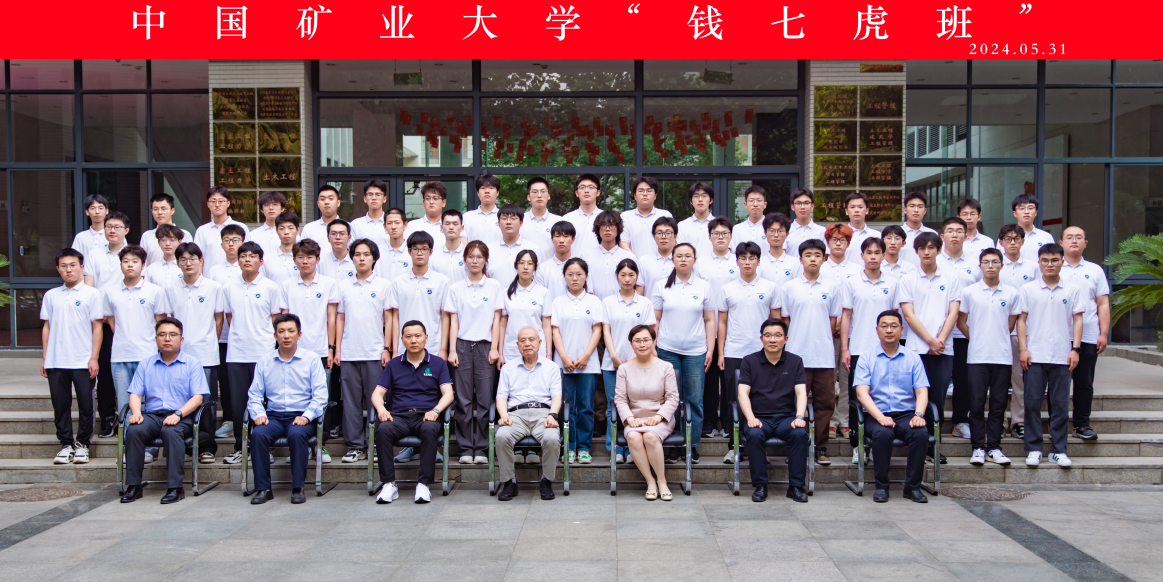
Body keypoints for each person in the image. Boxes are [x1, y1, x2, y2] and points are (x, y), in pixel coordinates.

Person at [119, 318, 209, 505]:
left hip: (181, 415)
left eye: (172, 335)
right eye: (162, 335)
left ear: (181, 340)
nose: (167, 339)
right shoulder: (146, 364)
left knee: (171, 431)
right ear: (156, 339)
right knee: (134, 430)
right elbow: (135, 394)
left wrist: (178, 414)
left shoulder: (192, 364)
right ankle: (134, 486)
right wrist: (136, 413)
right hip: (152, 415)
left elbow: (198, 398)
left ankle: (175, 488)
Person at [246, 314, 329, 505]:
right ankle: (263, 488)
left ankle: (298, 487)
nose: (286, 335)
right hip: (273, 416)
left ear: (299, 335)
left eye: (291, 331)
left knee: (297, 434)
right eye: (281, 331)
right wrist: (258, 414)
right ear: (275, 336)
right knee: (258, 434)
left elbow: (320, 395)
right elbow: (254, 394)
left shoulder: (312, 360)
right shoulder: (265, 361)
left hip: (301, 416)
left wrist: (307, 416)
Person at [371, 320, 454, 504]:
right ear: (402, 340)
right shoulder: (393, 364)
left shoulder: (438, 363)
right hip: (399, 416)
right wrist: (381, 409)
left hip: (426, 415)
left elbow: (448, 394)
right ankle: (389, 484)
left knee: (430, 429)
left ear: (426, 338)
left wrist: (436, 410)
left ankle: (424, 484)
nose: (413, 340)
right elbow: (377, 394)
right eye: (408, 337)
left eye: (418, 336)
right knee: (383, 429)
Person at [853, 310, 931, 504]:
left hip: (905, 414)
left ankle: (912, 488)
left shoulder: (913, 357)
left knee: (920, 433)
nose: (889, 330)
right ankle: (881, 487)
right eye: (884, 326)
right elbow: (862, 394)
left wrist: (919, 414)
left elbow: (921, 392)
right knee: (883, 433)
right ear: (877, 330)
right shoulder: (866, 358)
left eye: (893, 326)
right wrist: (880, 417)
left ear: (902, 330)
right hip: (876, 414)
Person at [1018, 244, 1084, 468]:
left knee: (1060, 405)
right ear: (1039, 263)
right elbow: (1021, 320)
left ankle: (1058, 450)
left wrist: (1075, 349)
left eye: (1054, 260)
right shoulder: (1028, 289)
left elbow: (1078, 319)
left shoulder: (1072, 289)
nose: (1049, 264)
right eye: (1045, 260)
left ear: (1062, 262)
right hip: (1034, 356)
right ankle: (1034, 448)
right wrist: (1023, 349)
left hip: (1062, 356)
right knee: (1031, 404)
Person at [898, 232, 961, 464]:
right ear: (916, 251)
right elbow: (908, 315)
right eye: (922, 248)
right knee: (914, 397)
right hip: (916, 349)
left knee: (937, 399)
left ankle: (933, 447)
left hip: (943, 349)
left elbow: (953, 312)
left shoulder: (951, 278)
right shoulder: (908, 279)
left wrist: (939, 340)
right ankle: (915, 443)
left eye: (931, 247)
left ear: (938, 250)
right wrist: (929, 341)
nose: (927, 252)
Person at [222, 242, 287, 464]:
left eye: (252, 256)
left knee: (264, 402)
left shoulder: (271, 287)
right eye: (243, 256)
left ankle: (264, 447)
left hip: (263, 352)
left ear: (261, 261)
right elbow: (229, 317)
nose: (247, 259)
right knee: (238, 404)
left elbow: (275, 320)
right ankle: (241, 447)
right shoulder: (229, 286)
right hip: (237, 353)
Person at [716, 242, 781, 463]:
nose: (747, 262)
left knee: (762, 400)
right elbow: (722, 322)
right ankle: (734, 446)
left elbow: (776, 321)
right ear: (736, 261)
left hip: (763, 352)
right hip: (734, 351)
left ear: (758, 261)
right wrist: (721, 352)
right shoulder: (727, 289)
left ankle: (759, 446)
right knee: (733, 400)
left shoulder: (770, 287)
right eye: (743, 258)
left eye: (752, 258)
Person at [650, 243, 714, 463]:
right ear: (673, 259)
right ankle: (673, 445)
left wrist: (710, 349)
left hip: (696, 351)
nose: (684, 259)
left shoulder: (704, 286)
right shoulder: (661, 285)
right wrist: (653, 346)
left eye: (688, 256)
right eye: (679, 256)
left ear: (695, 260)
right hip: (667, 350)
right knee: (671, 400)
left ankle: (692, 445)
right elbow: (655, 319)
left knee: (695, 399)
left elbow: (710, 320)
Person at [781, 239, 841, 466]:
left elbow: (833, 321)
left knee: (826, 403)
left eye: (817, 255)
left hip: (824, 355)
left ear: (824, 259)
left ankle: (820, 447)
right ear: (800, 259)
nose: (812, 259)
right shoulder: (789, 287)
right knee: (794, 403)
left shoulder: (832, 287)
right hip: (796, 355)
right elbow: (785, 321)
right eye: (808, 255)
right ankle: (795, 445)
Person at [443, 241, 504, 465]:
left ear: (486, 260)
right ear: (464, 260)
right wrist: (452, 350)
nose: (475, 261)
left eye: (479, 257)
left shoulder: (494, 286)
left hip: (485, 346)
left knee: (485, 399)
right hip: (462, 346)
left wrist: (495, 347)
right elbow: (454, 321)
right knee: (463, 400)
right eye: (470, 257)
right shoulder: (456, 288)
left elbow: (497, 319)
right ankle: (466, 448)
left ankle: (482, 448)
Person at [280, 239, 340, 463]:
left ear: (318, 259)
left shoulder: (328, 283)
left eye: (309, 257)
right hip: (293, 350)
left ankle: (321, 445)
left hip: (320, 349)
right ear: (294, 259)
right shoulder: (287, 285)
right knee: (296, 397)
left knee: (322, 398)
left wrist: (331, 348)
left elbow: (331, 318)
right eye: (300, 257)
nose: (305, 261)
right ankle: (299, 446)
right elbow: (283, 318)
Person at [164, 242, 225, 463]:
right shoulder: (170, 287)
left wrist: (208, 341)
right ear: (177, 263)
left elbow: (219, 319)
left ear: (201, 261)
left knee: (206, 403)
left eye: (192, 259)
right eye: (183, 259)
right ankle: (181, 444)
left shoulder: (213, 287)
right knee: (179, 400)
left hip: (206, 354)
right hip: (178, 356)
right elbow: (168, 319)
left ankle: (206, 447)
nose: (188, 263)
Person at [41, 248, 103, 465]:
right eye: (64, 266)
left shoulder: (92, 294)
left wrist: (94, 357)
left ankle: (83, 444)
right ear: (58, 269)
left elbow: (97, 327)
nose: (69, 270)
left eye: (73, 265)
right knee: (60, 405)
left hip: (82, 359)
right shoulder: (51, 295)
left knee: (86, 405)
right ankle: (66, 444)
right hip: (56, 360)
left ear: (81, 267)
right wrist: (45, 357)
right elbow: (47, 327)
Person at [956, 248, 1017, 467]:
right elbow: (961, 321)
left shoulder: (1011, 293)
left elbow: (1011, 324)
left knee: (998, 404)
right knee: (976, 403)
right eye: (986, 262)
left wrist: (996, 335)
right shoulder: (970, 292)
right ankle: (977, 448)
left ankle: (994, 447)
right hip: (977, 356)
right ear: (980, 266)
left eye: (995, 262)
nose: (990, 266)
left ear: (1002, 265)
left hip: (1002, 356)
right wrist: (977, 337)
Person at [738, 318, 809, 503]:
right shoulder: (749, 361)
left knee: (800, 434)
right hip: (759, 418)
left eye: (778, 336)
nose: (772, 340)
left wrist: (799, 416)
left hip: (786, 418)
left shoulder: (795, 361)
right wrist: (751, 418)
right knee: (754, 435)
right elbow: (742, 393)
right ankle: (760, 486)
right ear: (761, 338)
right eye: (768, 335)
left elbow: (801, 392)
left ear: (785, 339)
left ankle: (796, 486)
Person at [840, 238, 898, 461]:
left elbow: (895, 317)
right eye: (868, 252)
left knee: (882, 396)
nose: (873, 257)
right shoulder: (852, 282)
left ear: (884, 255)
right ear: (862, 255)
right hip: (859, 349)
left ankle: (878, 442)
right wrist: (845, 348)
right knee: (857, 398)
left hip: (886, 350)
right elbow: (846, 316)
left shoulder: (893, 283)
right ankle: (858, 445)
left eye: (877, 252)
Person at [334, 238, 392, 464]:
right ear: (352, 258)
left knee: (377, 401)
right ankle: (355, 446)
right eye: (357, 254)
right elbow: (340, 318)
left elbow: (389, 319)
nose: (361, 258)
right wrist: (337, 349)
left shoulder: (384, 285)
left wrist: (387, 348)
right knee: (350, 402)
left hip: (374, 352)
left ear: (374, 258)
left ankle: (376, 443)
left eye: (366, 254)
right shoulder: (343, 285)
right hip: (349, 352)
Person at [495, 325, 563, 501]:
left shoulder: (551, 367)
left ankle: (546, 480)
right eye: (523, 340)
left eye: (531, 339)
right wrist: (503, 415)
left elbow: (557, 396)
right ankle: (509, 482)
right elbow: (501, 396)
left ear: (540, 343)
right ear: (517, 345)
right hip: (516, 415)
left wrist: (552, 415)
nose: (527, 343)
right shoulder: (508, 368)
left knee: (552, 439)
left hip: (543, 414)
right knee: (501, 436)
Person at [601, 259, 657, 463]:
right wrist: (614, 356)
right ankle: (615, 448)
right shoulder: (608, 302)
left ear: (637, 277)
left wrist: (635, 356)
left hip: (639, 363)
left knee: (634, 406)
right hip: (612, 364)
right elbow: (605, 331)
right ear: (617, 276)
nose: (627, 279)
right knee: (614, 406)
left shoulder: (645, 303)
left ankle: (632, 449)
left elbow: (650, 333)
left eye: (631, 275)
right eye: (623, 275)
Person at [616, 325, 680, 501]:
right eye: (637, 341)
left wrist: (659, 416)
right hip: (635, 418)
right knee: (634, 437)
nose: (642, 344)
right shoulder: (624, 369)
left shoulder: (666, 367)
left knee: (650, 436)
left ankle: (662, 481)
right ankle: (650, 481)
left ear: (653, 342)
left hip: (661, 418)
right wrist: (629, 418)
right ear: (631, 344)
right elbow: (620, 399)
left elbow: (673, 397)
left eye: (646, 340)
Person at [551, 258, 605, 464]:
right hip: (563, 363)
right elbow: (555, 331)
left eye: (579, 274)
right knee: (567, 407)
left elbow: (597, 330)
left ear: (586, 277)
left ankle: (583, 447)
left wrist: (586, 356)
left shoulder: (594, 301)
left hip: (588, 364)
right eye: (570, 274)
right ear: (564, 277)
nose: (575, 278)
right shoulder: (558, 302)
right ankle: (568, 446)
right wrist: (564, 357)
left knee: (586, 407)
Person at [1059, 226, 1110, 441]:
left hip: (1088, 335)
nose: (1074, 241)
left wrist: (1103, 333)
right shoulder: (1054, 267)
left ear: (1085, 243)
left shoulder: (1095, 270)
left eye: (1079, 237)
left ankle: (1081, 424)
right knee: (1058, 384)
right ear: (1061, 243)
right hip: (1059, 336)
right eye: (1069, 237)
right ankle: (1057, 426)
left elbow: (1103, 303)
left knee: (1084, 383)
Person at [105, 245, 167, 417]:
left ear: (143, 265)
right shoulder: (110, 292)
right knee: (124, 405)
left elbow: (161, 322)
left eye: (135, 261)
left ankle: (148, 436)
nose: (130, 265)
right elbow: (111, 319)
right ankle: (126, 435)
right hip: (120, 356)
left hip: (147, 355)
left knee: (148, 403)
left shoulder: (155, 291)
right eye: (125, 261)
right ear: (120, 265)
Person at [83, 210, 131, 437]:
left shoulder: (133, 254)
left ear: (126, 230)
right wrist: (97, 313)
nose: (112, 230)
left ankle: (131, 415)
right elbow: (89, 287)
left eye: (117, 227)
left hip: (127, 322)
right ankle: (107, 417)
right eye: (109, 227)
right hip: (101, 322)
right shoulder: (94, 254)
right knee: (103, 370)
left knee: (127, 370)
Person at [938, 217, 983, 442]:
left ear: (966, 236)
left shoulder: (975, 265)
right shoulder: (934, 261)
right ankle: (933, 422)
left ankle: (960, 421)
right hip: (939, 332)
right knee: (937, 381)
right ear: (942, 236)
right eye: (949, 231)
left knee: (964, 380)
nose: (954, 235)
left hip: (965, 331)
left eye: (958, 231)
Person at [998, 223, 1038, 438]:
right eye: (1008, 239)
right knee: (997, 380)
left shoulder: (1033, 267)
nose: (1012, 243)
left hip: (1024, 332)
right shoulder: (995, 264)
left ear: (1023, 241)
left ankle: (1018, 421)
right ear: (1001, 242)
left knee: (1019, 379)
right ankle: (997, 421)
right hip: (998, 331)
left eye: (1016, 239)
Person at [208, 223, 247, 440]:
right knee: (225, 380)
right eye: (227, 240)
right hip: (221, 335)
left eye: (235, 240)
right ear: (221, 244)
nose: (231, 244)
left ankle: (247, 419)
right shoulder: (214, 270)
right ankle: (229, 419)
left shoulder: (249, 266)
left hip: (244, 335)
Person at [389, 232, 451, 360]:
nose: (419, 253)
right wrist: (395, 350)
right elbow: (395, 317)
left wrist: (443, 349)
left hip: (433, 348)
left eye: (424, 249)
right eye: (415, 249)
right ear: (409, 251)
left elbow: (445, 317)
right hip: (404, 349)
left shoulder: (442, 281)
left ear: (431, 252)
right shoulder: (398, 282)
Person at [500, 249, 553, 367]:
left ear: (535, 267)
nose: (525, 267)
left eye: (530, 263)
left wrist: (549, 354)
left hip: (537, 350)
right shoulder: (505, 292)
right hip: (511, 349)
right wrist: (500, 353)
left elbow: (546, 326)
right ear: (516, 266)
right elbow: (502, 325)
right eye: (521, 263)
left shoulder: (543, 293)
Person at [583, 210, 638, 300]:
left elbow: (635, 287)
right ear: (598, 229)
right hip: (593, 305)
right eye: (603, 225)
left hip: (621, 305)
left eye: (611, 225)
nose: (607, 229)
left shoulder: (629, 257)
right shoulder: (586, 256)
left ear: (618, 228)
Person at [194, 186, 249, 273]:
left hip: (237, 277)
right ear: (208, 204)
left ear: (228, 203)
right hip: (209, 278)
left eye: (221, 201)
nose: (217, 204)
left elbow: (247, 254)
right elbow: (198, 259)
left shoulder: (241, 227)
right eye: (213, 201)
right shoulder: (202, 230)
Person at [488, 204, 541, 286]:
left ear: (521, 223)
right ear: (498, 223)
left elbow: (538, 279)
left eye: (513, 218)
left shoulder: (533, 248)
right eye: (504, 218)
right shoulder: (489, 249)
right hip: (496, 294)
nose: (508, 222)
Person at [621, 176, 673, 256]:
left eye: (649, 191)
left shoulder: (665, 215)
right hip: (634, 263)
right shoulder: (625, 217)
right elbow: (623, 244)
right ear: (635, 196)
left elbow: (671, 242)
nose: (645, 194)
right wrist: (636, 261)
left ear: (655, 195)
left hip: (661, 262)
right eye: (641, 191)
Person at [140, 193, 193, 266]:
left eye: (163, 209)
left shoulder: (184, 234)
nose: (159, 212)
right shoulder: (146, 236)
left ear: (172, 210)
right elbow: (143, 263)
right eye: (155, 209)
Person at [1005, 193, 1056, 261]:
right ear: (1014, 213)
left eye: (1030, 208)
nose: (1026, 212)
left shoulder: (1046, 237)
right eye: (1022, 208)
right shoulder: (1006, 237)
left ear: (1036, 212)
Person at [562, 174, 605, 256]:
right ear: (576, 193)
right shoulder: (567, 219)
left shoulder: (606, 218)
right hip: (574, 263)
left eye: (591, 187)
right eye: (582, 187)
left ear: (598, 192)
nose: (586, 190)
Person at [535, 221, 578, 302]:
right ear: (552, 239)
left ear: (573, 239)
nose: (561, 240)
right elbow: (539, 297)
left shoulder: (581, 267)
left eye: (566, 236)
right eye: (557, 236)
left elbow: (587, 295)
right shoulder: (543, 268)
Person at [521, 177, 562, 258]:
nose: (539, 195)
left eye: (543, 191)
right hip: (526, 265)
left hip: (550, 265)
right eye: (535, 192)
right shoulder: (520, 220)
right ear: (528, 197)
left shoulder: (558, 221)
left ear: (548, 196)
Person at [758, 212, 802, 286]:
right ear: (765, 233)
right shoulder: (758, 263)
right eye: (772, 231)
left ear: (787, 234)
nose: (776, 235)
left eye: (780, 231)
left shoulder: (796, 263)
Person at [638, 217, 677, 297]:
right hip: (650, 305)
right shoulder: (643, 261)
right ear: (654, 236)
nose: (663, 237)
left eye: (668, 233)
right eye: (659, 233)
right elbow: (639, 292)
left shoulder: (681, 261)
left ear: (675, 236)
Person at [676, 181, 715, 260]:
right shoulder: (682, 226)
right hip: (690, 267)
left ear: (711, 200)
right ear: (691, 201)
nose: (700, 199)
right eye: (696, 196)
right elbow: (679, 252)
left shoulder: (719, 225)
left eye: (704, 196)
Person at [842, 192, 881, 268]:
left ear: (867, 210)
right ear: (846, 211)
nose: (856, 210)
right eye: (852, 207)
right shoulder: (840, 236)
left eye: (860, 207)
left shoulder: (877, 235)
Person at [261, 212, 301, 285]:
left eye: (290, 228)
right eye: (281, 228)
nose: (286, 232)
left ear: (298, 230)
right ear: (276, 231)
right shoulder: (267, 260)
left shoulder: (304, 259)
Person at [785, 188, 827, 256]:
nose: (802, 207)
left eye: (806, 203)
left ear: (812, 206)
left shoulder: (822, 231)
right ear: (792, 207)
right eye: (798, 203)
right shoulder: (786, 231)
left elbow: (825, 256)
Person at [430, 209, 468, 285]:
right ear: (441, 227)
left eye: (455, 224)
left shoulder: (469, 255)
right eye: (447, 224)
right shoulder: (433, 255)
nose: (451, 227)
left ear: (462, 228)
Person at [900, 191, 937, 267]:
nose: (916, 210)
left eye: (920, 207)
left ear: (925, 211)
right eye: (912, 206)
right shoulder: (897, 233)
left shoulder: (932, 233)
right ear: (905, 210)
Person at [374, 208, 413, 282]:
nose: (393, 227)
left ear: (405, 225)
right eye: (389, 223)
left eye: (397, 223)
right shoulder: (377, 251)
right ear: (384, 226)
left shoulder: (412, 251)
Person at [463, 174, 502, 247]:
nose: (487, 191)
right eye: (483, 188)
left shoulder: (504, 217)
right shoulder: (467, 217)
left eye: (491, 188)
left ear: (497, 193)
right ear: (478, 193)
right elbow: (463, 243)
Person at [300, 185, 342, 251]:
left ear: (338, 203)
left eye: (331, 198)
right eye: (322, 199)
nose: (326, 202)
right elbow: (303, 252)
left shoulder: (348, 227)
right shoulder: (309, 228)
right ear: (318, 204)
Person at [144, 224, 185, 289]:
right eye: (163, 240)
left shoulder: (185, 267)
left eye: (172, 240)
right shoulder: (151, 269)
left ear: (179, 242)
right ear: (159, 242)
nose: (167, 244)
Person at [732, 185, 770, 253]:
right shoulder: (737, 229)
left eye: (759, 200)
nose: (755, 204)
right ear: (745, 205)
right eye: (751, 200)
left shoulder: (772, 228)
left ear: (765, 204)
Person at [248, 191, 287, 257]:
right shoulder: (252, 235)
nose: (271, 208)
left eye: (275, 204)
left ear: (282, 209)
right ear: (262, 210)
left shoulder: (291, 234)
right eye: (266, 205)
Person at [318, 219, 356, 283]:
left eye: (342, 234)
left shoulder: (356, 260)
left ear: (349, 238)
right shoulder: (320, 261)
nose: (338, 237)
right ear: (328, 237)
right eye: (333, 233)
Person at [72, 194, 109, 259]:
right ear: (87, 212)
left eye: (100, 208)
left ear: (106, 211)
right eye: (93, 208)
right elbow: (74, 259)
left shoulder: (114, 235)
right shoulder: (80, 237)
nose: (97, 212)